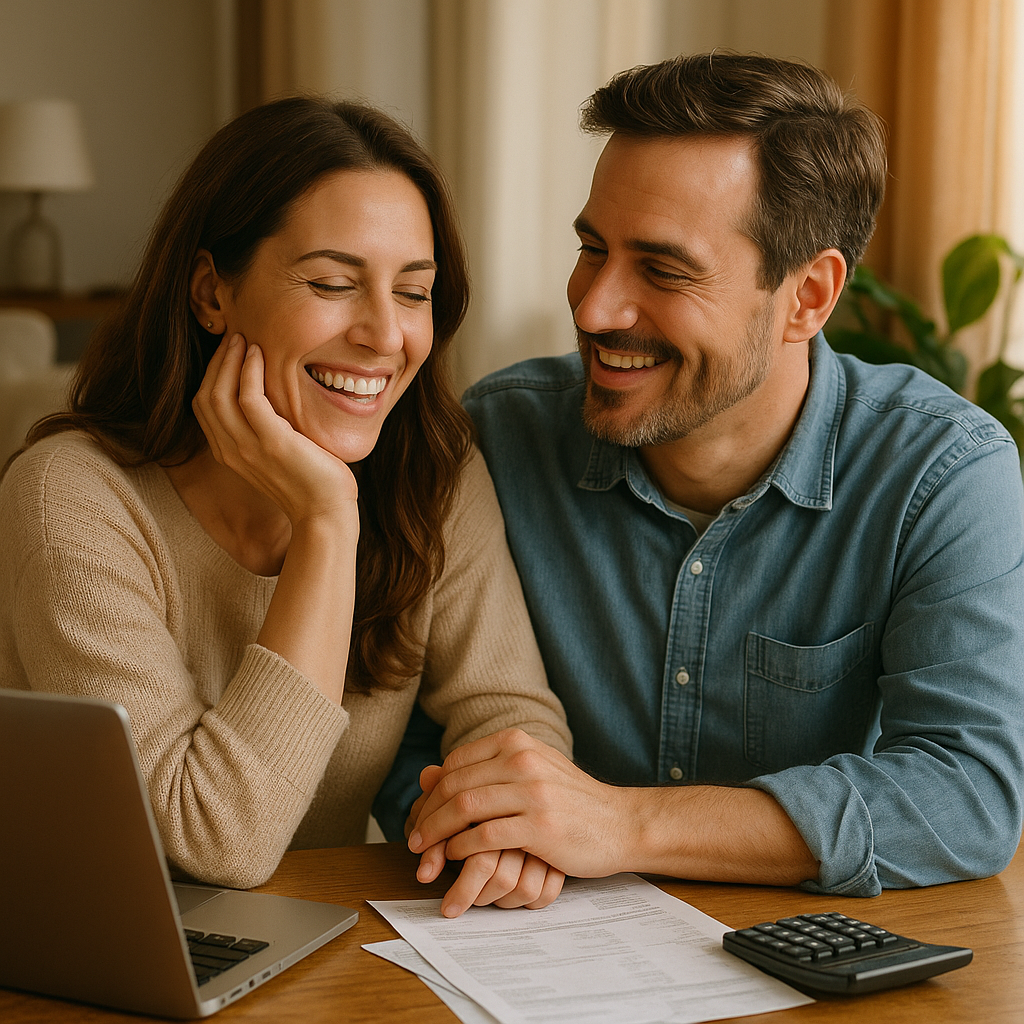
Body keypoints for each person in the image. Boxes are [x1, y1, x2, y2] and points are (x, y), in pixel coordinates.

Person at [392, 52, 1024, 915]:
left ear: (808, 295)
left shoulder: (941, 473)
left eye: (662, 269)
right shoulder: (495, 438)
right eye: (591, 249)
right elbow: (411, 743)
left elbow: (965, 794)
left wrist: (624, 826)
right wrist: (483, 830)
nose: (594, 308)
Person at [0, 97, 571, 908]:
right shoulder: (71, 497)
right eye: (334, 283)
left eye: (413, 292)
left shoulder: (432, 475)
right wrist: (327, 525)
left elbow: (509, 717)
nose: (383, 333)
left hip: (314, 947)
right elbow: (210, 842)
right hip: (94, 958)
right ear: (211, 294)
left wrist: (505, 833)